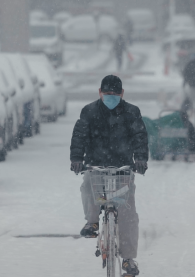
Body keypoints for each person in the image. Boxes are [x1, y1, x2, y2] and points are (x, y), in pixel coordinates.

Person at [70, 75, 148, 276]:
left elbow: (140, 137)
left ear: (122, 94)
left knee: (128, 212)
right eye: (107, 94)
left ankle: (128, 259)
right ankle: (92, 222)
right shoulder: (89, 112)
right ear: (100, 93)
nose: (111, 97)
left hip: (123, 167)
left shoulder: (132, 112)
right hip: (96, 165)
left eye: (114, 94)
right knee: (88, 185)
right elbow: (79, 135)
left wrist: (140, 158)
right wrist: (77, 159)